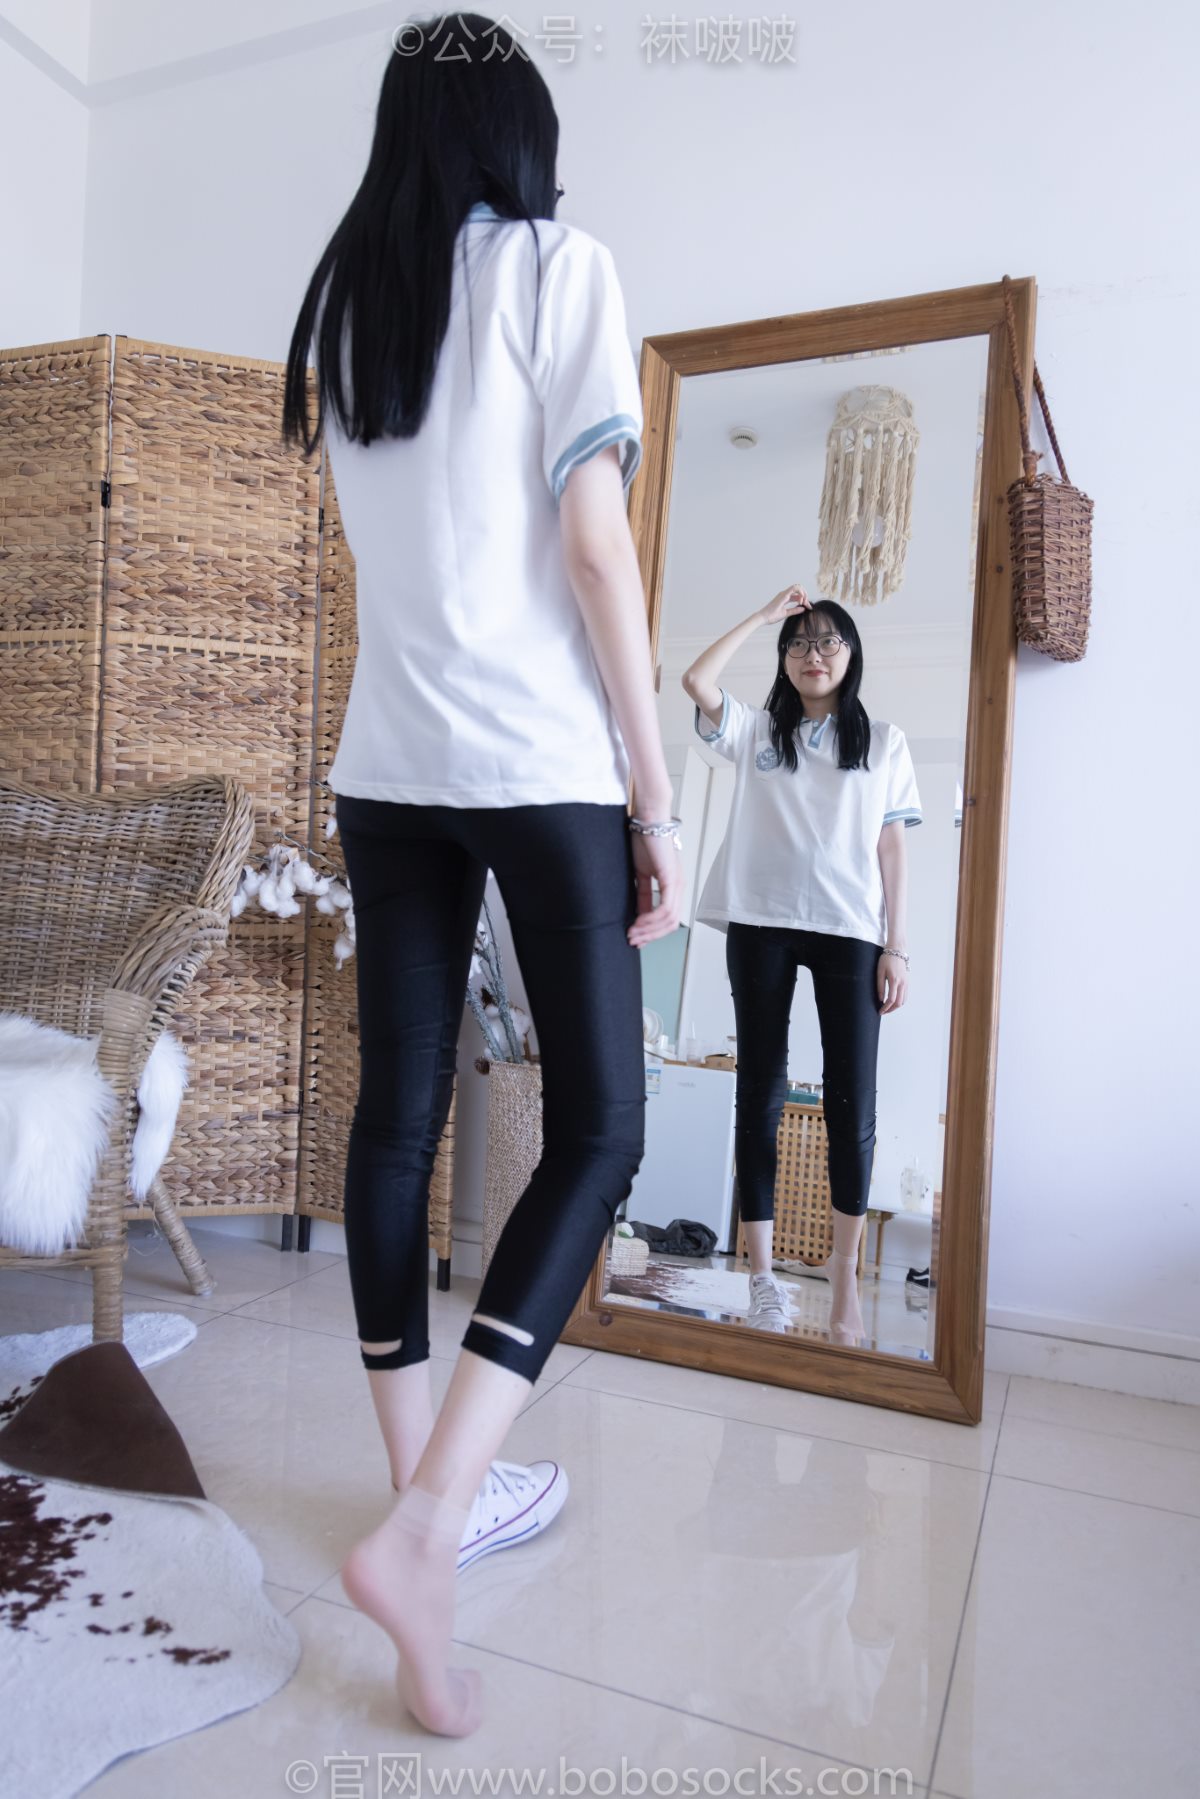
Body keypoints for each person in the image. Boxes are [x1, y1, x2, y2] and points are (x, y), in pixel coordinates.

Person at [281, 11, 682, 1739]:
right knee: (600, 1128)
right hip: (537, 763)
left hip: (388, 763)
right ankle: (437, 1515)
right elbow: (594, 550)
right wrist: (656, 795)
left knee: (397, 1119)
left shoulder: (353, 305)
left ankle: (419, 1498)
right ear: (518, 137)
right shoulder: (555, 268)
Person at [681, 587, 921, 1344]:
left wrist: (897, 944)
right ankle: (762, 1280)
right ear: (784, 659)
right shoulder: (756, 730)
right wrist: (761, 616)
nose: (814, 654)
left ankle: (844, 1279)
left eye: (828, 641)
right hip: (759, 923)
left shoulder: (884, 741)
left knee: (853, 1105)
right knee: (759, 1091)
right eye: (799, 642)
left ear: (851, 655)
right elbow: (695, 680)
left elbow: (891, 847)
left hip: (850, 930)